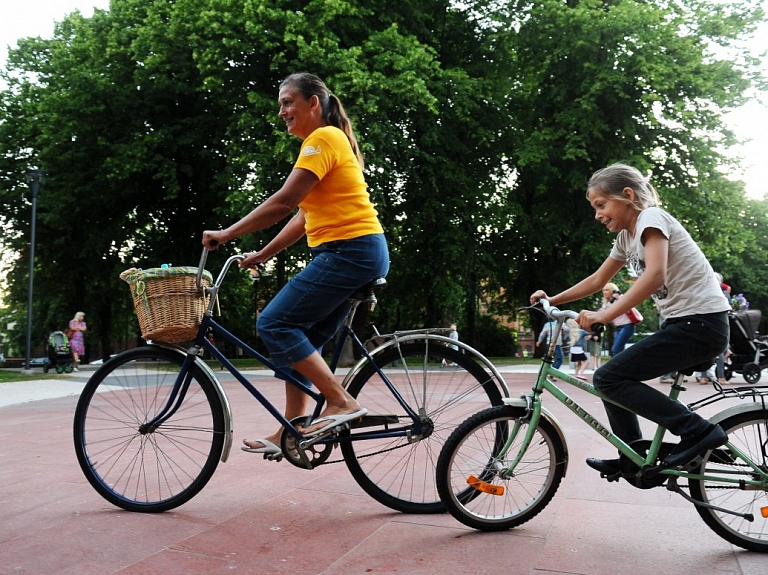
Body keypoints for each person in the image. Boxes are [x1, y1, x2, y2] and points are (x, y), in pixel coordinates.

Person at [202, 73, 389, 456]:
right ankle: (294, 430)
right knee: (295, 346)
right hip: (352, 252)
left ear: (313, 103)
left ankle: (341, 401)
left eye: (288, 102)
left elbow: (284, 201)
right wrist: (263, 254)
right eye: (280, 105)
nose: (282, 112)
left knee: (274, 322)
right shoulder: (325, 144)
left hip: (350, 251)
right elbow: (302, 216)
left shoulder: (322, 139)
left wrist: (227, 233)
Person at [530, 163, 731, 477]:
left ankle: (699, 431)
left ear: (627, 196)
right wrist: (551, 300)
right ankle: (635, 456)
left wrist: (604, 315)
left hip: (701, 324)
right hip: (684, 325)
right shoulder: (626, 237)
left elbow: (655, 275)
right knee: (613, 378)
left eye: (601, 205)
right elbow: (598, 279)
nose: (597, 214)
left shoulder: (651, 218)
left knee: (609, 378)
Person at [601, 283, 635, 356]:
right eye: (603, 290)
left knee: (616, 349)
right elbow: (605, 317)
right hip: (618, 327)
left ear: (612, 291)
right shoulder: (607, 303)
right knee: (617, 350)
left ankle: (618, 366)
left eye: (607, 290)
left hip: (627, 326)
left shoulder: (621, 298)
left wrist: (618, 298)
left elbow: (628, 310)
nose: (604, 292)